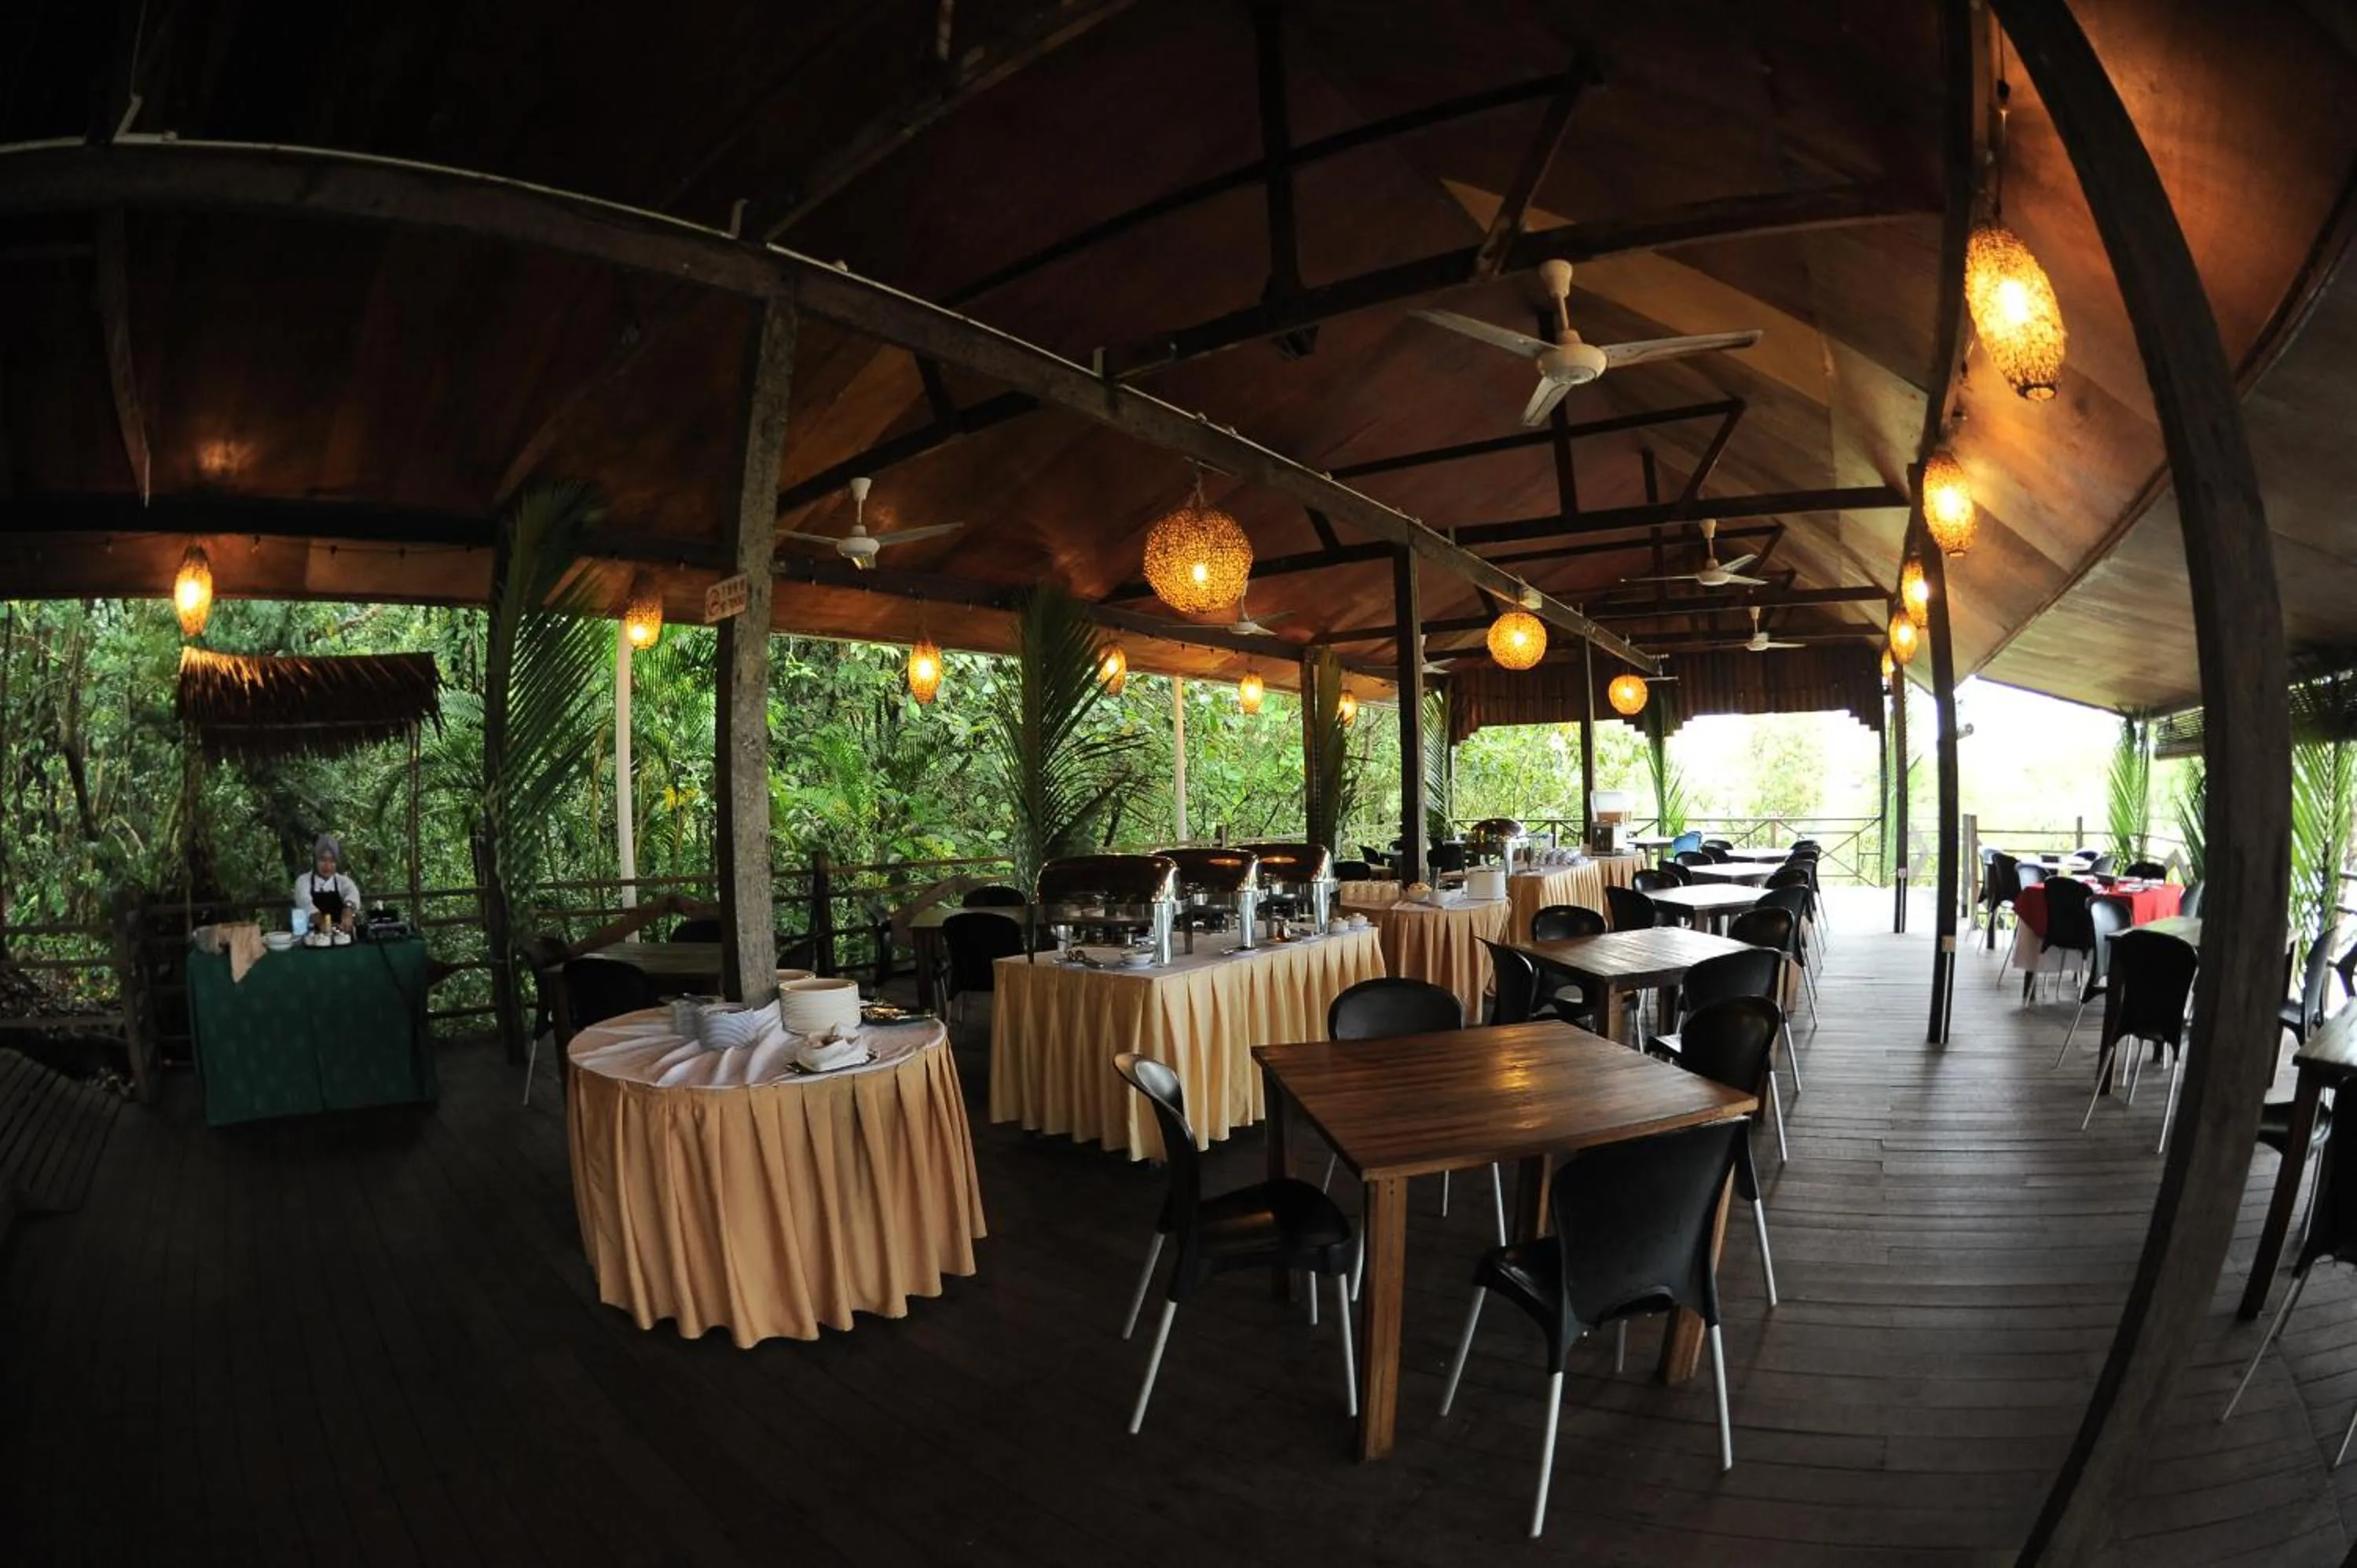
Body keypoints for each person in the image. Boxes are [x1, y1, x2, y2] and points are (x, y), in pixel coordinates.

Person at [295, 833, 362, 947]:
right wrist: (320, 920)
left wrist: (348, 911)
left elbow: (353, 893)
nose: (327, 866)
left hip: (339, 941)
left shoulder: (343, 881)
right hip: (310, 943)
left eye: (332, 861)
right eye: (323, 860)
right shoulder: (303, 881)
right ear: (315, 860)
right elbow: (304, 902)